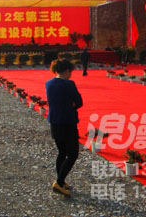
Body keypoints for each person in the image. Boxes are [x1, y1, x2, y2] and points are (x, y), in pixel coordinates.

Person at [45, 59, 83, 196]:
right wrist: (71, 104)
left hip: (54, 122)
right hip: (68, 123)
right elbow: (79, 102)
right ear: (67, 71)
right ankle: (59, 182)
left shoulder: (49, 83)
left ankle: (61, 179)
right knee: (72, 154)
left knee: (62, 152)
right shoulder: (69, 84)